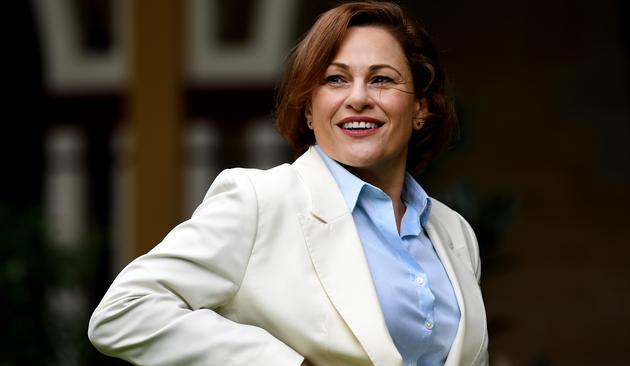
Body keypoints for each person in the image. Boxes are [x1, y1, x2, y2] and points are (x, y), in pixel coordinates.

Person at [88, 2, 488, 365]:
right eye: (335, 80)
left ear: (420, 107)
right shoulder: (261, 201)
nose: (358, 97)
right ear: (309, 109)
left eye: (382, 79)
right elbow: (125, 310)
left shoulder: (454, 233)